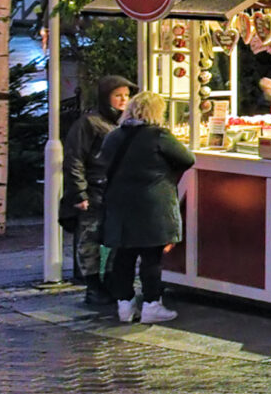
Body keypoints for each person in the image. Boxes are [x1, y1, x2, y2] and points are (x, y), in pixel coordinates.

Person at [96, 89, 192, 324]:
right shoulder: (158, 135)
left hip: (120, 204)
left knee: (124, 256)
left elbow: (101, 165)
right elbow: (188, 159)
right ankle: (151, 305)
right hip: (151, 204)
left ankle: (124, 306)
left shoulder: (114, 136)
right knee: (151, 256)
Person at [61, 74, 131, 309]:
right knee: (89, 240)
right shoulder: (89, 123)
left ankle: (109, 281)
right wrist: (79, 193)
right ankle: (93, 286)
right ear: (106, 97)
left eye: (126, 96)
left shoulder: (124, 122)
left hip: (116, 190)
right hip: (94, 189)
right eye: (118, 96)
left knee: (114, 239)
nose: (123, 100)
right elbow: (74, 159)